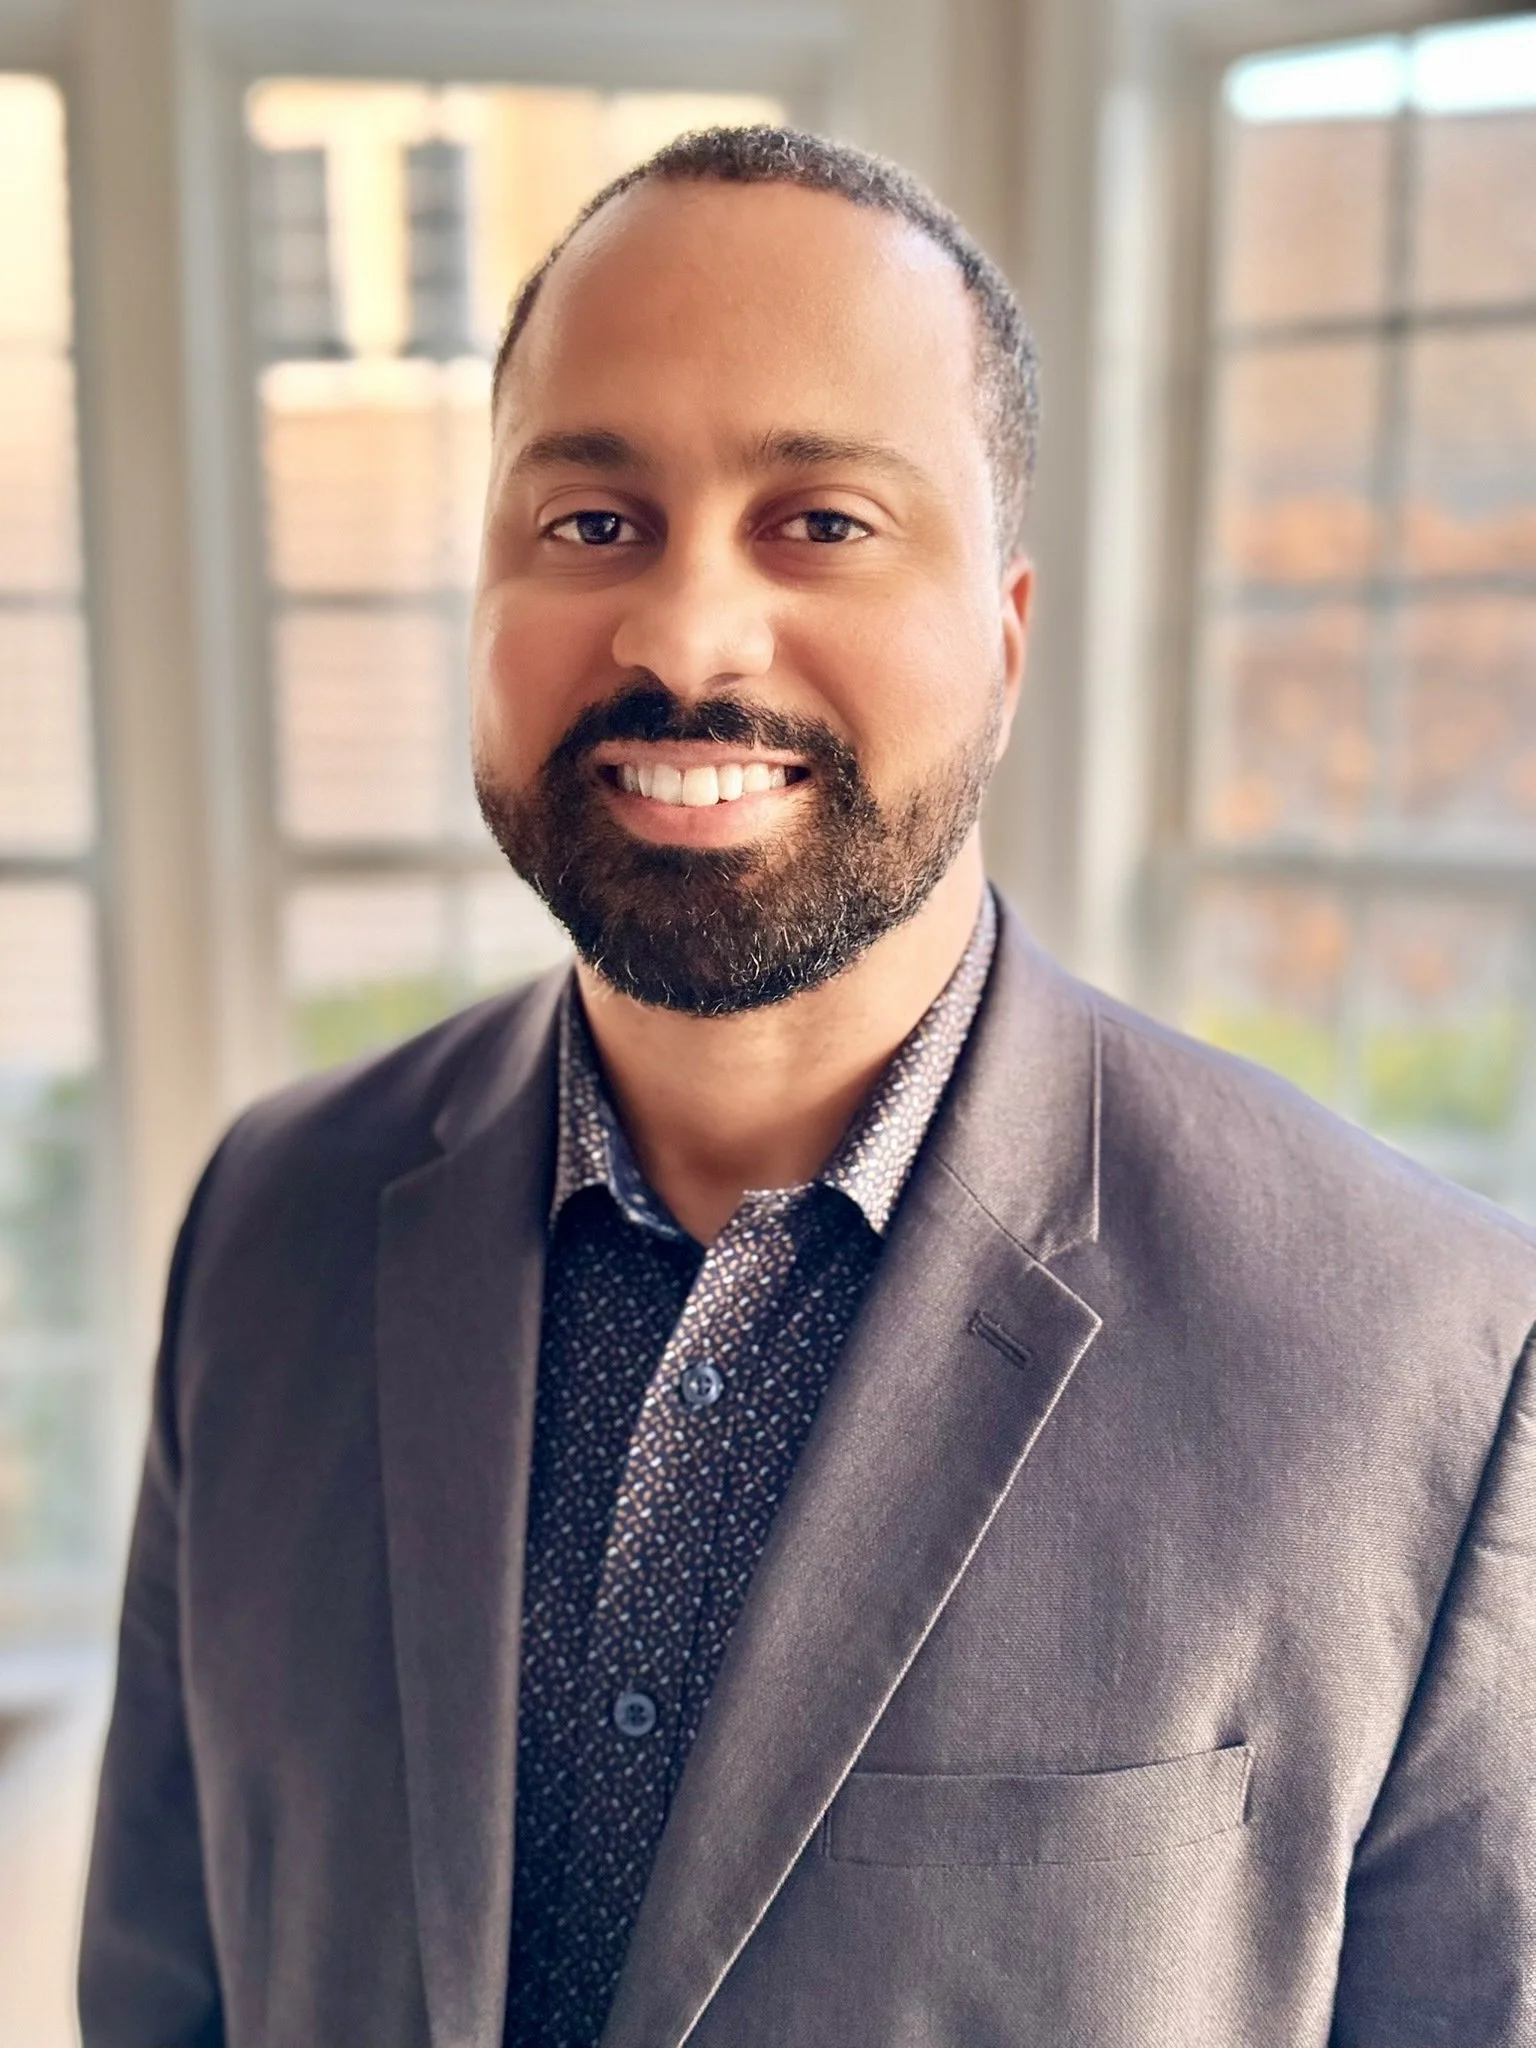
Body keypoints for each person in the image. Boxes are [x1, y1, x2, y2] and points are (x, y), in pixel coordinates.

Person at [80, 126, 1534, 2048]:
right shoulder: (265, 1223)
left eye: (822, 522)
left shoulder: (1421, 1356)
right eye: (590, 521)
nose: (684, 635)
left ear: (1003, 644)